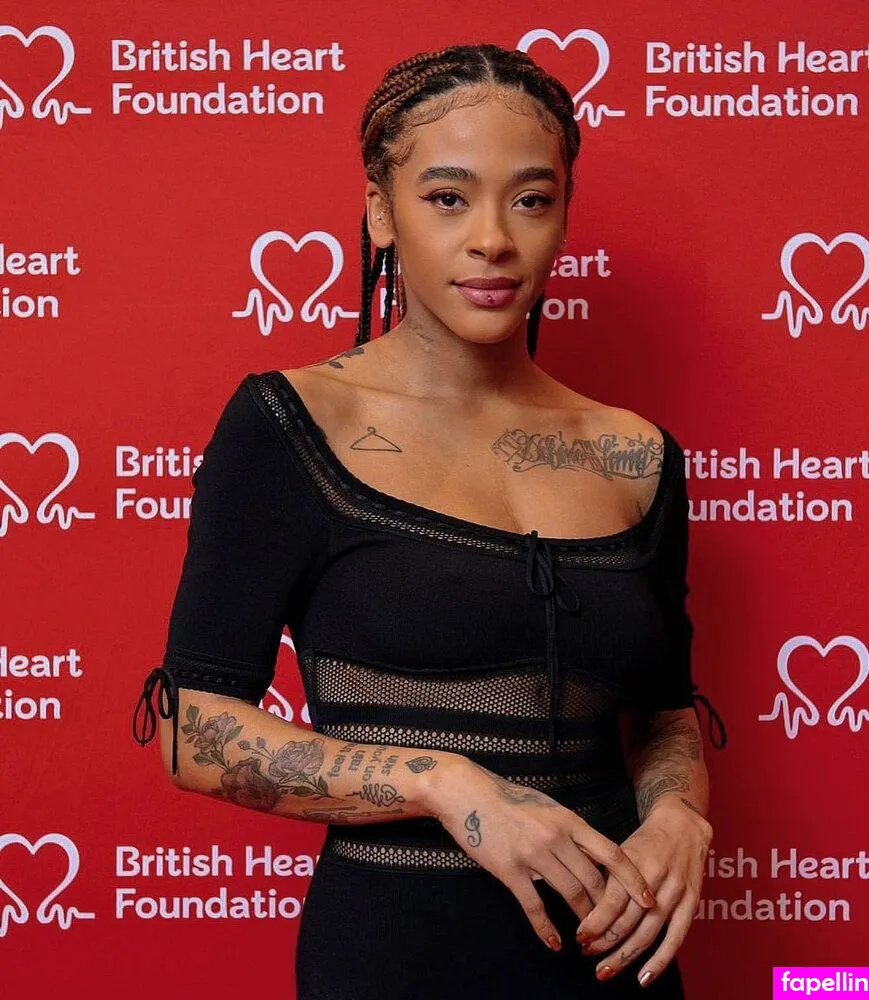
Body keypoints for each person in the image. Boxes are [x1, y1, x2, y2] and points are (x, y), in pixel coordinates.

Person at [132, 42, 727, 999]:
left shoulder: (636, 454)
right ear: (382, 212)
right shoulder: (292, 423)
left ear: (563, 216)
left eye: (531, 200)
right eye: (448, 197)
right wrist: (440, 781)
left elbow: (663, 718)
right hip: (396, 960)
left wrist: (677, 818)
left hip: (619, 961)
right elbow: (190, 732)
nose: (492, 239)